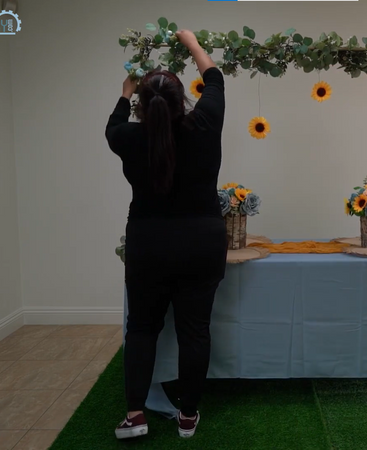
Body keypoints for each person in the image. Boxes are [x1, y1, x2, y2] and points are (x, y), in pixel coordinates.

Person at [105, 29, 227, 440]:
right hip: (202, 245)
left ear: (141, 103)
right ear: (182, 102)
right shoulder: (205, 124)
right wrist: (191, 44)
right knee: (195, 331)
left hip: (148, 246)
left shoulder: (126, 138)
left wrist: (125, 92)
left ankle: (135, 416)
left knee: (141, 328)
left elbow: (114, 124)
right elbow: (215, 79)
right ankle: (188, 417)